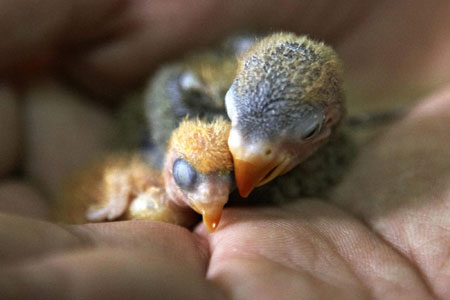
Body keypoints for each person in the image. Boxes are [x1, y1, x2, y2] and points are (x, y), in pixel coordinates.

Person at [1, 1, 450, 298]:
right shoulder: (206, 82)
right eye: (239, 118)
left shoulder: (337, 143)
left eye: (310, 129)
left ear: (332, 121)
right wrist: (171, 157)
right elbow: (172, 84)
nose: (249, 154)